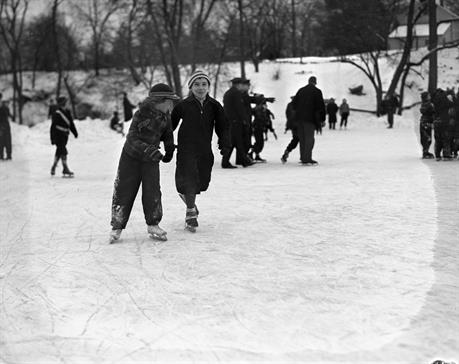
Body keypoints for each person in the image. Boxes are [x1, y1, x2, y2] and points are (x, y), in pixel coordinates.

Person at [109, 84, 178, 243]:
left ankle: (153, 223)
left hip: (150, 159)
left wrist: (169, 150)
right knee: (124, 189)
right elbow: (132, 138)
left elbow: (168, 134)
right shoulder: (141, 114)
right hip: (131, 157)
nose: (172, 105)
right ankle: (117, 225)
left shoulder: (165, 116)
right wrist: (149, 150)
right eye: (170, 101)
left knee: (153, 190)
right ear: (159, 101)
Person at [171, 70, 231, 232]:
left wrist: (225, 142)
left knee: (202, 182)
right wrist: (165, 141)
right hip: (186, 149)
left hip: (205, 149)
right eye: (196, 84)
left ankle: (189, 200)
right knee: (189, 180)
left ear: (208, 87)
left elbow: (223, 126)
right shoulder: (183, 105)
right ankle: (190, 213)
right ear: (191, 87)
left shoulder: (214, 106)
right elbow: (170, 126)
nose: (200, 87)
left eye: (204, 84)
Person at [291, 76, 326, 165]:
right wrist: (322, 119)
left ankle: (303, 157)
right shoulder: (317, 91)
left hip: (299, 119)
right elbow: (321, 106)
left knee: (302, 138)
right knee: (309, 139)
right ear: (315, 82)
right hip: (310, 119)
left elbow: (294, 104)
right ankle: (307, 158)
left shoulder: (301, 90)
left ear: (308, 81)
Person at [222, 77, 253, 168]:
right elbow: (240, 108)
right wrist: (245, 120)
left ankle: (241, 160)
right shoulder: (236, 93)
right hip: (235, 121)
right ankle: (238, 161)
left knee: (235, 141)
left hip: (230, 120)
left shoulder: (229, 93)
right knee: (236, 141)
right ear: (238, 85)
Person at [50, 96, 78, 176]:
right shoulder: (57, 113)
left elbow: (71, 123)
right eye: (66, 102)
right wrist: (52, 138)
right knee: (63, 151)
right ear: (63, 103)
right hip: (58, 135)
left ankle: (54, 167)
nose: (67, 104)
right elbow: (53, 126)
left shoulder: (67, 112)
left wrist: (75, 132)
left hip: (65, 135)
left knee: (59, 152)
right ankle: (65, 168)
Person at [432, 88, 453, 161]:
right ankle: (446, 155)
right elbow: (451, 104)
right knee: (445, 138)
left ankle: (437, 155)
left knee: (437, 139)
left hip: (436, 121)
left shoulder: (434, 100)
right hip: (444, 121)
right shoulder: (444, 99)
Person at [281, 96, 299, 163]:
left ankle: (287, 151)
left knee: (295, 139)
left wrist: (289, 125)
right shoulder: (297, 105)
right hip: (297, 125)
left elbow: (287, 115)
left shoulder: (289, 105)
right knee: (298, 139)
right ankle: (287, 151)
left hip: (292, 125)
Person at [419, 91, 435, 159]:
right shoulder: (429, 104)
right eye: (429, 95)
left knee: (425, 137)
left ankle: (425, 151)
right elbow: (433, 112)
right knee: (427, 138)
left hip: (424, 122)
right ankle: (425, 152)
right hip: (427, 122)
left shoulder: (423, 104)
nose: (430, 96)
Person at [0, 94, 14, 161]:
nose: (7, 104)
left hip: (5, 125)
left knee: (6, 141)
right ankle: (3, 155)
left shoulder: (6, 108)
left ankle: (7, 155)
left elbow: (9, 115)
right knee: (3, 141)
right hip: (3, 125)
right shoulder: (3, 108)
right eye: (6, 103)